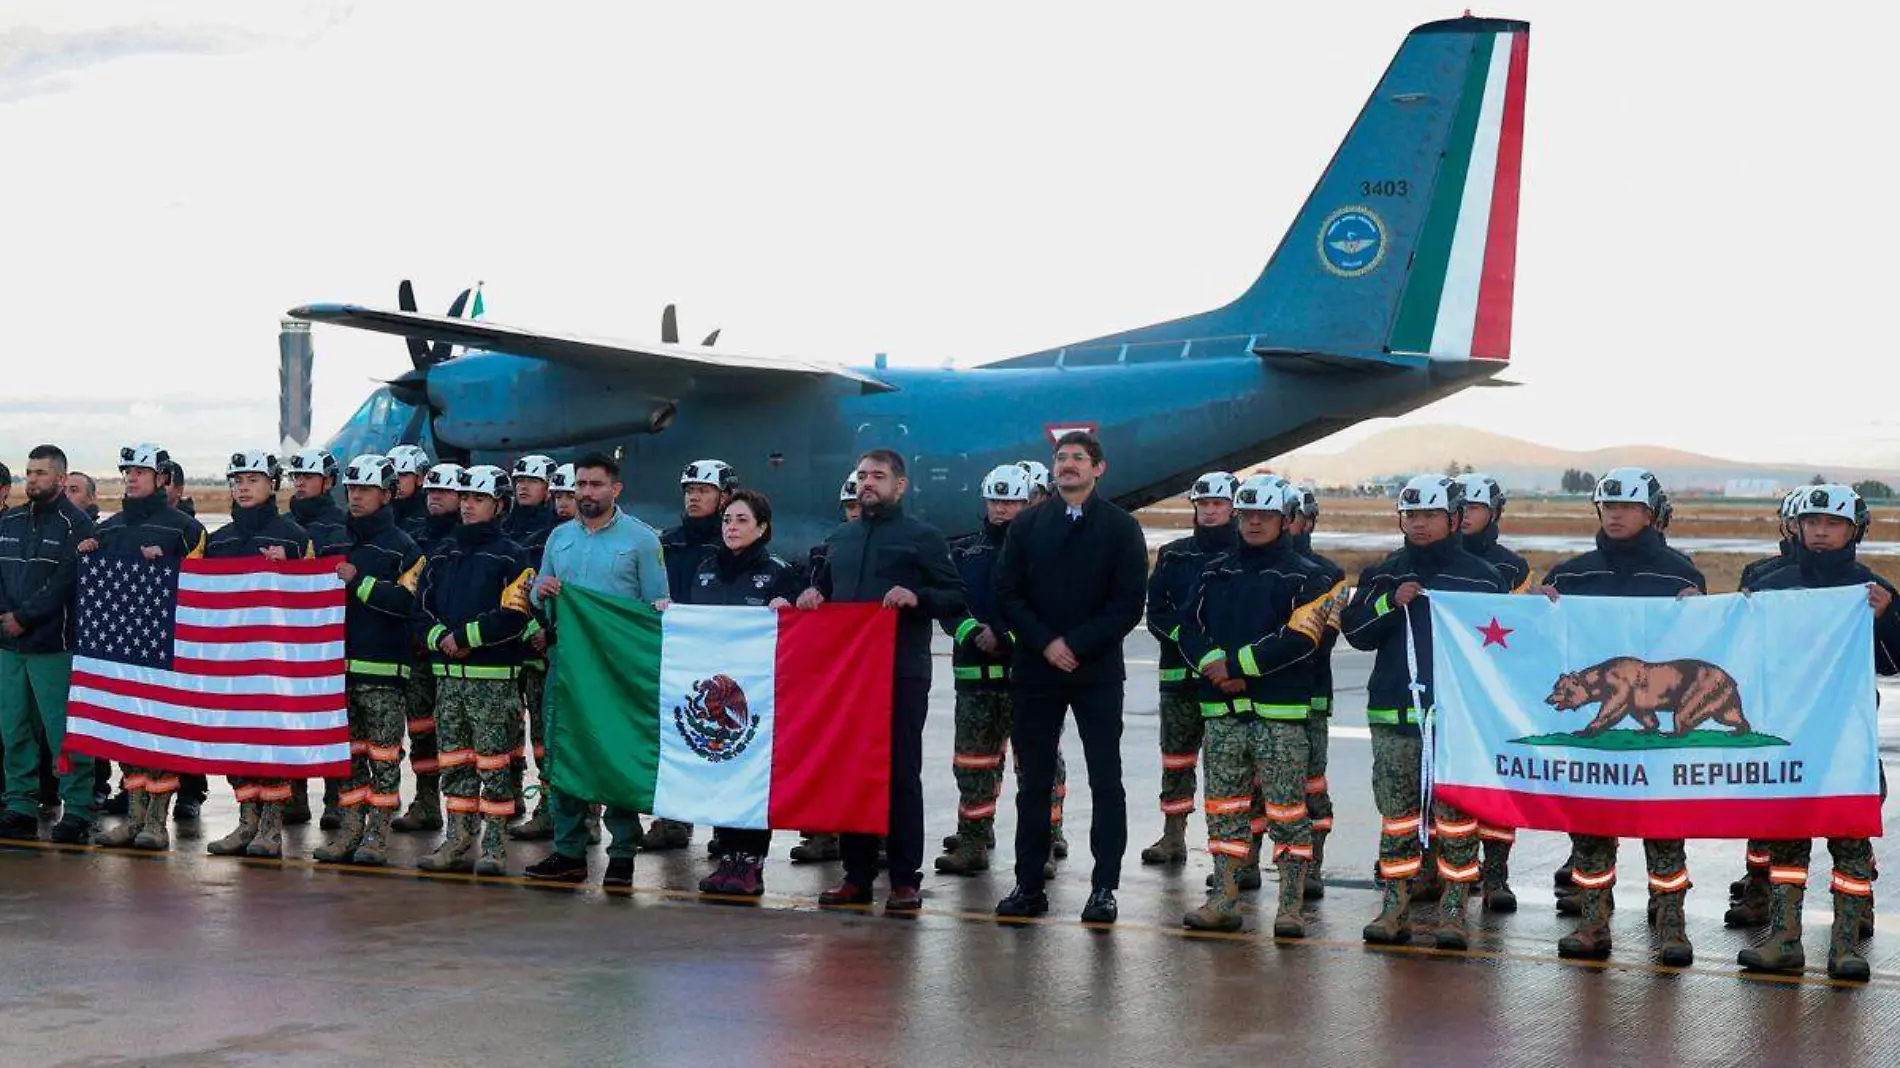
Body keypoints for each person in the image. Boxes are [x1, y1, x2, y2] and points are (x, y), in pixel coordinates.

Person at [1533, 467, 1706, 964]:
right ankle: (1592, 923)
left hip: (1655, 732)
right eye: (1608, 506)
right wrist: (1536, 610)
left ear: (1650, 514)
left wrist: (1700, 609)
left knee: (1665, 831)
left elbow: (1699, 646)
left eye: (1627, 507)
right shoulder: (1570, 575)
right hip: (1601, 745)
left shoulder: (1680, 575)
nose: (1615, 514)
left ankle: (1671, 925)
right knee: (1590, 830)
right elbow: (1547, 651)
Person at [1339, 474, 1507, 950]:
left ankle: (1454, 909)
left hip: (1456, 721)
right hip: (1394, 715)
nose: (1418, 524)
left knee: (1457, 819)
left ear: (1454, 519)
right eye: (1410, 515)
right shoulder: (1382, 574)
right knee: (1397, 817)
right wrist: (1391, 603)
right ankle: (1395, 904)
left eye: (1430, 515)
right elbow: (1357, 633)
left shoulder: (1482, 578)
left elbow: (1503, 649)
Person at [1739, 484, 1899, 981]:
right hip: (1786, 734)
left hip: (1847, 737)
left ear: (1855, 530)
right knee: (1787, 841)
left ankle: (1846, 945)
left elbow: (1893, 665)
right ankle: (1785, 939)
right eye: (1813, 523)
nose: (1822, 531)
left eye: (1833, 524)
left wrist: (1887, 617)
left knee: (1849, 840)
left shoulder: (1872, 589)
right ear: (1798, 527)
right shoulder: (1766, 583)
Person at [797, 448, 964, 912]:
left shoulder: (922, 537)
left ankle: (905, 878)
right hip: (847, 679)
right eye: (863, 475)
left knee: (899, 774)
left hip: (900, 673)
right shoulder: (839, 539)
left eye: (879, 476)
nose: (868, 483)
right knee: (850, 771)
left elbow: (954, 596)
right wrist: (811, 594)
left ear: (901, 485)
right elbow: (823, 591)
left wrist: (917, 595)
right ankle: (856, 875)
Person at [992, 430, 1148, 924]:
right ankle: (1029, 883)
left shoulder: (1122, 528)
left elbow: (1127, 604)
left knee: (1106, 778)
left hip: (1096, 671)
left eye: (1079, 458)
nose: (1069, 465)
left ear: (1098, 468)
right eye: (1062, 458)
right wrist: (1046, 643)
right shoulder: (1028, 526)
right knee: (1033, 780)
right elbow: (1008, 594)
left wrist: (1076, 645)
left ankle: (1104, 888)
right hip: (1038, 670)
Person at [1174, 475, 1338, 934]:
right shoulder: (1213, 569)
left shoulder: (1315, 576)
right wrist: (1210, 663)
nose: (1253, 523)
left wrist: (1237, 667)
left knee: (1287, 810)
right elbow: (1187, 626)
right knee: (1224, 807)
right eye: (1246, 515)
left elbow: (1302, 638)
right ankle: (1224, 896)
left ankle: (1289, 905)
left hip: (1279, 714)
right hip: (1221, 713)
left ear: (1287, 519)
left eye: (1264, 515)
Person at [524, 452, 668, 888]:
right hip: (566, 666)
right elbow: (537, 597)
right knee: (563, 755)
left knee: (614, 757)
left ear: (615, 489)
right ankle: (568, 850)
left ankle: (622, 852)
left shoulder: (642, 541)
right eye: (579, 485)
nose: (586, 493)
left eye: (595, 485)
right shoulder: (558, 539)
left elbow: (657, 609)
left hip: (618, 673)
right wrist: (539, 591)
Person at [936, 465, 1066, 877]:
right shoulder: (963, 552)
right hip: (974, 680)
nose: (1001, 509)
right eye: (995, 500)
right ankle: (973, 841)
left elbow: (1054, 610)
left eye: (1010, 501)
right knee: (972, 763)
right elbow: (949, 604)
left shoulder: (1047, 552)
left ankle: (1040, 844)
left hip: (1028, 677)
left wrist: (1008, 638)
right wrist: (971, 631)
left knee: (1036, 765)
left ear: (1028, 501)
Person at [677, 489, 802, 895]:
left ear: (762, 528)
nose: (731, 527)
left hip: (758, 695)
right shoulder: (704, 569)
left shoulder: (780, 572)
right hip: (714, 690)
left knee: (752, 773)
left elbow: (801, 626)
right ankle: (727, 856)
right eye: (728, 519)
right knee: (721, 769)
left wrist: (791, 605)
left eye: (742, 520)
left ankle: (751, 861)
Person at [412, 464, 535, 875]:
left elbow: (514, 615)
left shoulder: (513, 557)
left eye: (478, 499)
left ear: (499, 504)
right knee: (454, 764)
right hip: (448, 682)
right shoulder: (442, 554)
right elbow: (420, 611)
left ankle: (495, 847)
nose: (467, 506)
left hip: (493, 683)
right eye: (464, 498)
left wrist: (466, 638)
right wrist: (441, 639)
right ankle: (457, 839)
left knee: (494, 766)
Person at [82, 443, 206, 850]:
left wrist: (170, 567)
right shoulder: (109, 528)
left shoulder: (184, 529)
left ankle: (157, 821)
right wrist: (85, 556)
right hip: (120, 653)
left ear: (161, 478)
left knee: (160, 739)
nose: (132, 477)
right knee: (126, 737)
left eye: (141, 471)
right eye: (128, 471)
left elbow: (205, 588)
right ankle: (134, 818)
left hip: (167, 652)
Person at [312, 455, 423, 866]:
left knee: (384, 756)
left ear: (387, 494)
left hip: (384, 673)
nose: (356, 497)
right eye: (352, 489)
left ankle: (377, 833)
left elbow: (407, 602)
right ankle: (350, 829)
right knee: (349, 759)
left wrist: (359, 582)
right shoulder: (333, 541)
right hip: (338, 671)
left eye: (366, 490)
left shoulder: (405, 548)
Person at [202, 451, 313, 859]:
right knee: (237, 746)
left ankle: (271, 827)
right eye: (237, 480)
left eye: (252, 479)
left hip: (277, 664)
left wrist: (294, 567)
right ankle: (246, 821)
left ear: (273, 485)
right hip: (231, 663)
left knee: (271, 746)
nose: (243, 487)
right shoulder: (219, 540)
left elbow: (318, 598)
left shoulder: (295, 538)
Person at [1140, 471, 1239, 866]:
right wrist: (1188, 640)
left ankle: (1232, 850)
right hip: (1178, 679)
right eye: (1204, 504)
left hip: (1227, 680)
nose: (1211, 511)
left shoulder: (1243, 554)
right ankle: (1173, 835)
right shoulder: (1174, 554)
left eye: (1218, 504)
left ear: (1234, 508)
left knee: (1230, 767)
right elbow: (1157, 612)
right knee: (1176, 759)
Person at [0, 445, 98, 843]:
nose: (32, 479)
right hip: (9, 645)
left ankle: (76, 808)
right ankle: (20, 805)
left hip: (53, 645)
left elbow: (66, 581)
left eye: (40, 472)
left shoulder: (77, 525)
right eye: (28, 472)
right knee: (14, 730)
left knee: (64, 732)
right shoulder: (9, 520)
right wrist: (7, 616)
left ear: (60, 478)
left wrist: (25, 617)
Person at [650, 459, 738, 852]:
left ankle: (725, 826)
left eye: (703, 490)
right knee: (674, 737)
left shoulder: (733, 543)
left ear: (725, 496)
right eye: (689, 490)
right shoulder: (666, 543)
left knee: (722, 740)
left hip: (722, 659)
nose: (694, 497)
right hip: (676, 657)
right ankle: (672, 821)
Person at [1453, 473, 1531, 912]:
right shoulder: (1424, 561)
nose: (1466, 517)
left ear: (1494, 513)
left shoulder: (1513, 568)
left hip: (1493, 698)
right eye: (1460, 509)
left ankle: (1496, 872)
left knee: (1497, 790)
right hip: (1443, 694)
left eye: (1475, 509)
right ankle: (1432, 867)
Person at [787, 471, 862, 867]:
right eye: (848, 506)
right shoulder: (825, 550)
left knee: (867, 756)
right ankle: (821, 831)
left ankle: (875, 834)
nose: (854, 513)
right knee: (824, 749)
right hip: (830, 670)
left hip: (872, 668)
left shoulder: (896, 548)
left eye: (858, 506)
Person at [391, 462, 462, 836]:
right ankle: (426, 801)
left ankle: (471, 812)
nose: (435, 497)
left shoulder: (468, 540)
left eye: (445, 492)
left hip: (458, 653)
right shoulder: (413, 536)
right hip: (419, 651)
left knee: (461, 737)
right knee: (421, 729)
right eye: (431, 491)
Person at [285, 448, 351, 828]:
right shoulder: (282, 523)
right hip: (287, 638)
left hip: (327, 639)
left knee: (330, 721)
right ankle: (295, 797)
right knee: (290, 718)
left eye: (308, 477)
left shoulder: (341, 527)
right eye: (297, 477)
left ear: (328, 482)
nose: (301, 483)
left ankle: (334, 800)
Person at [1287, 487, 1346, 900]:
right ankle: (1248, 861)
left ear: (1307, 521)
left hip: (1309, 695)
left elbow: (1320, 639)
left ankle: (1313, 863)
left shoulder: (1330, 575)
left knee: (1310, 783)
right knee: (1257, 786)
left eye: (1291, 516)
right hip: (1258, 694)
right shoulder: (1238, 567)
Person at [504, 454, 560, 841]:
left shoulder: (556, 535)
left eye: (533, 481)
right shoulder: (504, 530)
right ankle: (509, 795)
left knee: (544, 736)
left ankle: (548, 804)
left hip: (540, 648)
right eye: (519, 479)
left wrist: (540, 630)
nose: (524, 486)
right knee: (506, 730)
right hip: (506, 648)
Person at [386, 445, 432, 533]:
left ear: (420, 478)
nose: (395, 481)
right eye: (391, 476)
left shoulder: (428, 519)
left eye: (403, 475)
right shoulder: (375, 509)